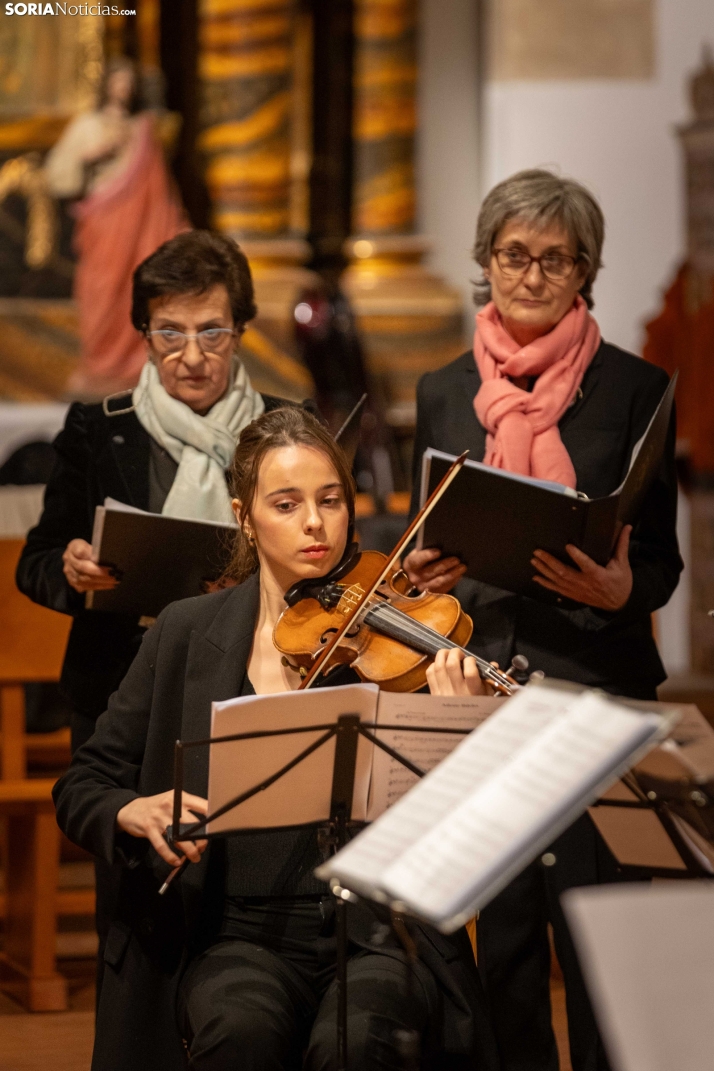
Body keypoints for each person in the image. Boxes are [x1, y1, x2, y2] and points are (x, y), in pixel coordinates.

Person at [52, 406, 499, 1071]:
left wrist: (459, 730)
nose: (315, 523)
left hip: (378, 932)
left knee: (358, 1041)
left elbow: (462, 841)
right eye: (286, 504)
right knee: (240, 1031)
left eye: (330, 500)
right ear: (243, 515)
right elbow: (83, 782)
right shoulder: (183, 631)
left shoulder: (395, 643)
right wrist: (133, 808)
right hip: (234, 934)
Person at [402, 169, 683, 1071]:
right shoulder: (443, 389)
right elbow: (423, 536)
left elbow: (662, 561)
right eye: (513, 255)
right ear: (486, 263)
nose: (530, 276)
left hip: (596, 686)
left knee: (599, 935)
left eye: (553, 260)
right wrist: (423, 569)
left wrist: (621, 591)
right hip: (480, 685)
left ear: (584, 270)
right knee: (508, 939)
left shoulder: (636, 388)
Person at [17, 228, 313, 994]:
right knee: (140, 902)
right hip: (125, 690)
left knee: (248, 885)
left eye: (211, 330)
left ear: (239, 329)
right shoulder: (98, 425)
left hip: (253, 681)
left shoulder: (284, 429)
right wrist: (74, 569)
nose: (191, 354)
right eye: (169, 332)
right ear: (144, 333)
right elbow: (38, 560)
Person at [44, 56, 187, 395]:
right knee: (100, 292)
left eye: (129, 82)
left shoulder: (143, 129)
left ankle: (134, 372)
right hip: (102, 225)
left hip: (140, 228)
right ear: (106, 84)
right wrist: (91, 157)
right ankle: (99, 367)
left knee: (136, 291)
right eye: (118, 81)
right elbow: (56, 175)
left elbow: (161, 192)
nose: (123, 88)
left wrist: (176, 227)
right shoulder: (87, 125)